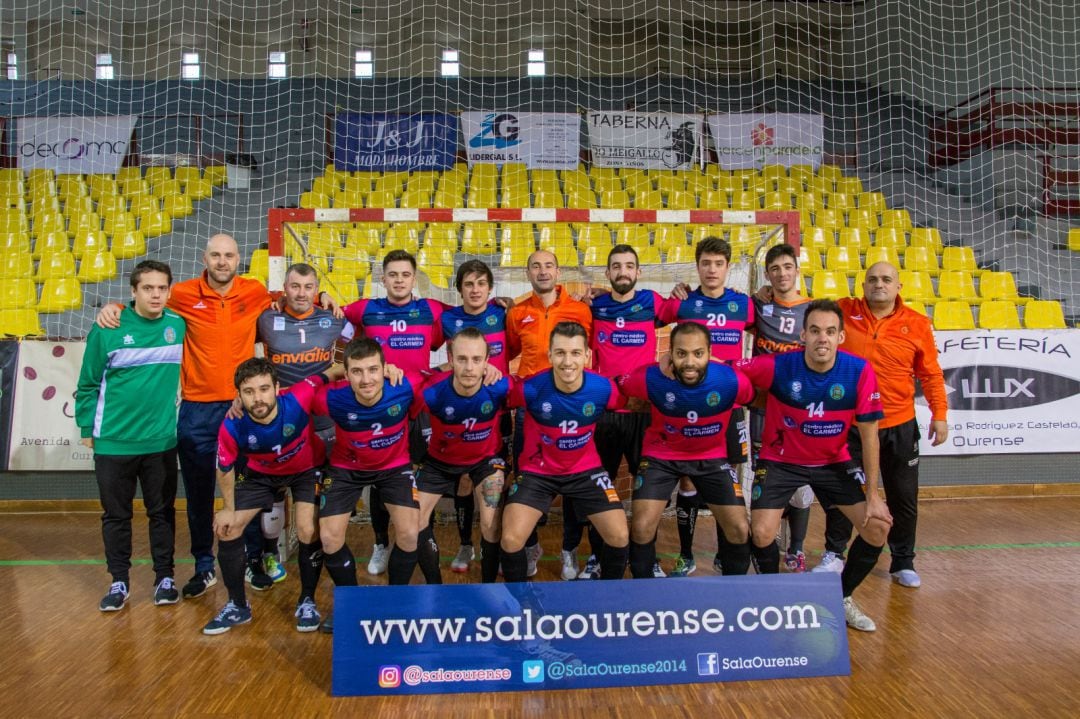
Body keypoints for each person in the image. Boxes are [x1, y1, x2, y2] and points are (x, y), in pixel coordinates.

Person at [736, 299, 893, 631]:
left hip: (833, 462)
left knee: (878, 526)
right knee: (762, 533)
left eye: (831, 332)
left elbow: (869, 436)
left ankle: (843, 596)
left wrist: (874, 493)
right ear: (803, 335)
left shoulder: (859, 371)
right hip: (780, 460)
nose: (823, 338)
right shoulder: (778, 365)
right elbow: (728, 370)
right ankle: (772, 599)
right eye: (816, 331)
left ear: (841, 337)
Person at [812, 262, 949, 588]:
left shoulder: (916, 324)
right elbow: (809, 312)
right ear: (863, 284)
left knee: (903, 496)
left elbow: (930, 374)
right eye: (872, 279)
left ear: (898, 286)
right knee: (844, 493)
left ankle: (903, 561)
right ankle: (834, 554)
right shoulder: (843, 310)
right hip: (851, 425)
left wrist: (940, 415)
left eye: (886, 279)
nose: (879, 284)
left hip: (898, 424)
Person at [76, 260, 186, 612]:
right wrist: (85, 428)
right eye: (148, 288)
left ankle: (164, 579)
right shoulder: (108, 328)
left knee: (162, 513)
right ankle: (119, 581)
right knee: (116, 516)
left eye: (161, 288)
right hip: (114, 443)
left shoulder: (177, 325)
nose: (156, 294)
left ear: (169, 291)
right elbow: (88, 383)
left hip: (161, 443)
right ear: (133, 292)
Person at [202, 358, 334, 635]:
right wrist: (227, 508)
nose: (258, 398)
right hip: (260, 474)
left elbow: (332, 371)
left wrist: (384, 370)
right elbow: (224, 467)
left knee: (308, 529)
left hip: (306, 470)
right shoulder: (233, 424)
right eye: (249, 392)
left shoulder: (299, 397)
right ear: (238, 395)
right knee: (227, 528)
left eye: (264, 389)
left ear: (277, 387)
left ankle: (307, 601)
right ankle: (237, 605)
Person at [618, 322, 756, 579]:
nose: (690, 362)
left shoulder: (730, 380)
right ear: (670, 353)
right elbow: (618, 387)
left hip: (712, 457)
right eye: (681, 354)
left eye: (698, 353)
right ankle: (644, 599)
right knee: (640, 526)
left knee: (738, 528)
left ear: (709, 353)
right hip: (662, 456)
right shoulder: (651, 377)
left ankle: (734, 597)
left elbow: (756, 397)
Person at [341, 249, 447, 577]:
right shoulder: (365, 310)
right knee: (378, 478)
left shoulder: (431, 310)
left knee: (415, 477)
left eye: (405, 275)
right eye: (392, 275)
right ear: (382, 279)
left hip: (421, 409)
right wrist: (322, 293)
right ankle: (379, 543)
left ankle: (417, 536)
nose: (399, 280)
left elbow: (468, 323)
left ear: (414, 279)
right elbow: (333, 321)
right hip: (380, 410)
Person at [501, 321, 629, 582]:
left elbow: (632, 396)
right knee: (511, 538)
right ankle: (518, 604)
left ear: (587, 356)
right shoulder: (531, 388)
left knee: (619, 535)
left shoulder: (603, 388)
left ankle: (612, 598)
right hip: (539, 471)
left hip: (585, 470)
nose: (567, 361)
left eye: (574, 353)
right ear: (549, 355)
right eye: (560, 353)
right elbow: (497, 397)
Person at [566, 243, 663, 581]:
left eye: (629, 266)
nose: (623, 271)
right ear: (607, 274)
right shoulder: (596, 306)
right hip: (604, 413)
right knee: (598, 490)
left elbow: (695, 307)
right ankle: (596, 557)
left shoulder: (652, 303)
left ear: (638, 272)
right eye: (616, 266)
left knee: (647, 492)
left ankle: (646, 560)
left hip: (643, 414)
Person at [249, 262, 349, 587]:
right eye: (295, 287)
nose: (302, 294)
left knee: (318, 498)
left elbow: (356, 340)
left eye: (309, 287)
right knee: (273, 495)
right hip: (280, 424)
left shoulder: (333, 319)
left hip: (323, 426)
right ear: (285, 288)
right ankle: (269, 552)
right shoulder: (266, 319)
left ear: (316, 289)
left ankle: (323, 554)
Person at [312, 337, 420, 633]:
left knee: (410, 534)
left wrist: (488, 369)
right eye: (357, 371)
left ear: (385, 369)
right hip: (346, 469)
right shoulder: (331, 397)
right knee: (330, 538)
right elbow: (293, 397)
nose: (366, 379)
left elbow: (447, 379)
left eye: (373, 370)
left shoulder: (406, 386)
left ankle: (396, 602)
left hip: (394, 467)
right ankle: (352, 603)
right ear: (346, 375)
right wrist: (327, 373)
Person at [660, 236, 754, 576]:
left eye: (718, 263)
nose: (712, 269)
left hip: (729, 408)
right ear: (697, 266)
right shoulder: (683, 304)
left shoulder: (744, 305)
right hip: (688, 407)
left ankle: (725, 553)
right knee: (687, 480)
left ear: (728, 268)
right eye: (706, 263)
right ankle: (686, 555)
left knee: (730, 481)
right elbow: (641, 319)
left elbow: (775, 326)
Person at [505, 250, 593, 576]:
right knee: (525, 479)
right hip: (531, 411)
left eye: (548, 265)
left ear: (558, 271)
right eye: (535, 266)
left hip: (572, 409)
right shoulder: (517, 313)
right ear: (527, 272)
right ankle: (531, 547)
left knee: (574, 482)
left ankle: (569, 549)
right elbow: (510, 351)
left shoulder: (581, 309)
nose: (542, 271)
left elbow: (590, 350)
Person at [414, 328, 510, 584]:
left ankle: (488, 586)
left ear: (487, 360)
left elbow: (542, 389)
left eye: (477, 360)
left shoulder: (500, 386)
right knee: (414, 521)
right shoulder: (431, 390)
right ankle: (435, 586)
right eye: (462, 359)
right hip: (439, 462)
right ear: (450, 358)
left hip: (485, 460)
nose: (469, 367)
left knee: (491, 523)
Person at [437, 260, 511, 573]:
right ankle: (467, 544)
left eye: (481, 283)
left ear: (490, 289)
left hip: (500, 411)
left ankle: (498, 543)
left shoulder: (503, 314)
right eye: (469, 284)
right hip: (461, 413)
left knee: (499, 483)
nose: (475, 289)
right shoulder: (447, 319)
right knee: (465, 482)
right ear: (460, 289)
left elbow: (516, 350)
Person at [749, 243, 814, 572]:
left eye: (787, 267)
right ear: (768, 274)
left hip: (799, 408)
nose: (782, 273)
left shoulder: (813, 309)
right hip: (763, 405)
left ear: (796, 270)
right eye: (775, 269)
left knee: (801, 480)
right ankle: (768, 536)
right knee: (764, 472)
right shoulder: (758, 307)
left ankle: (797, 546)